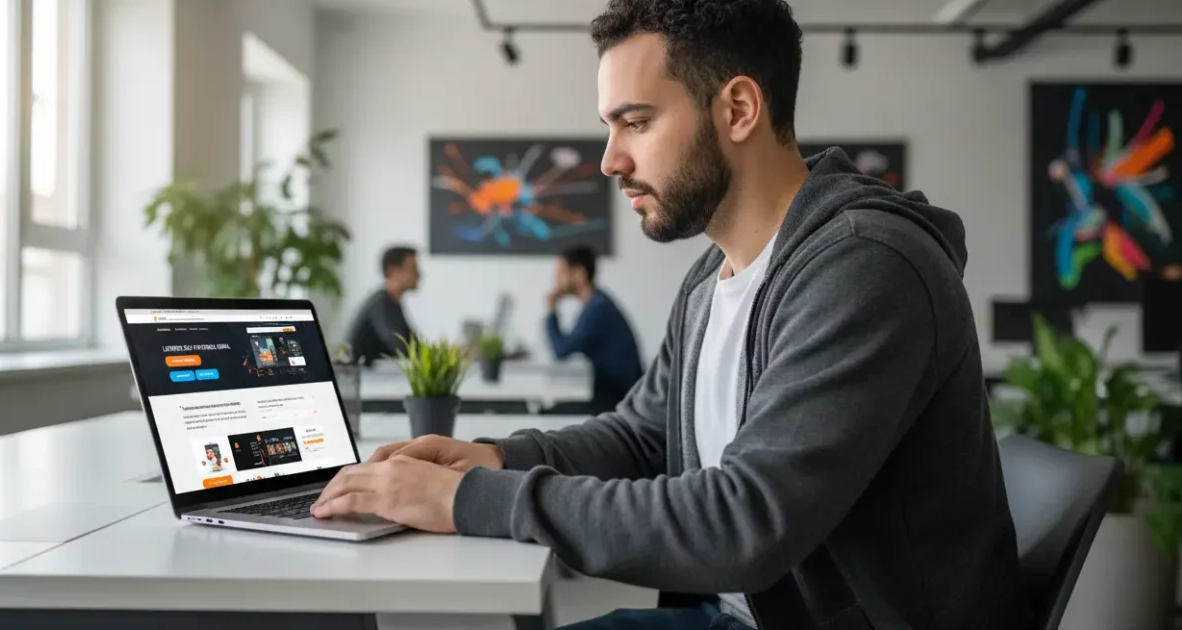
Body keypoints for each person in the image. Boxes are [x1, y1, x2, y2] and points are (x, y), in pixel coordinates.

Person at [310, 2, 1032, 629]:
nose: (609, 161)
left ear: (739, 109)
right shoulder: (712, 279)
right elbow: (643, 435)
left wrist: (473, 498)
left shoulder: (867, 269)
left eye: (636, 122)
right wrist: (498, 457)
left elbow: (745, 522)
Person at [545, 245, 644, 413]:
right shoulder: (597, 303)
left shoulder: (598, 309)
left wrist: (551, 310)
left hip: (618, 402)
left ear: (579, 274)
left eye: (561, 272)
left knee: (549, 413)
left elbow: (561, 350)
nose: (555, 280)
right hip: (617, 396)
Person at [346, 246, 419, 365]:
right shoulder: (380, 305)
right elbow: (400, 348)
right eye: (413, 269)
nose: (418, 274)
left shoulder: (393, 303)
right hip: (365, 378)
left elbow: (413, 345)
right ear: (392, 271)